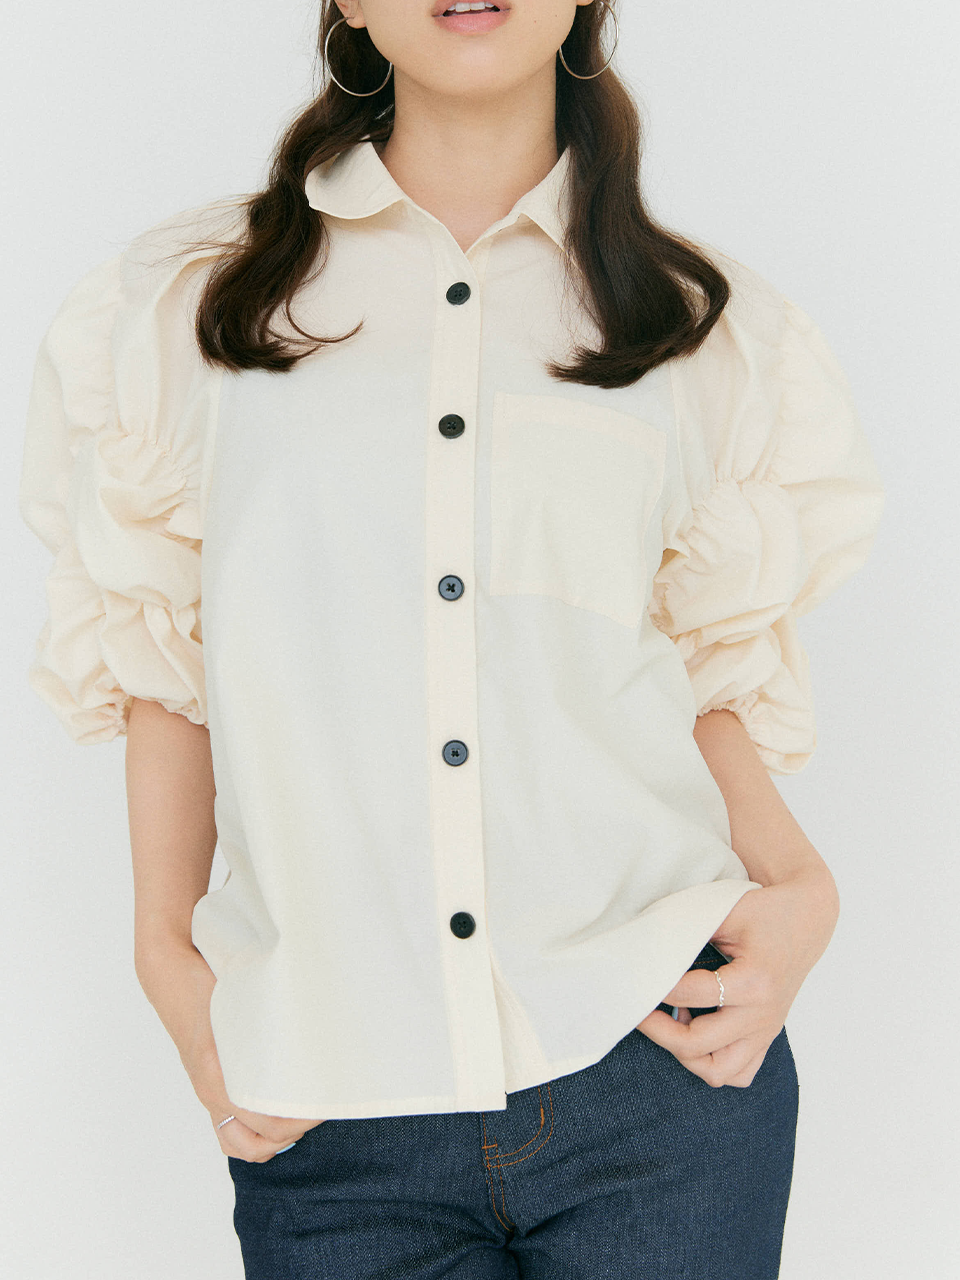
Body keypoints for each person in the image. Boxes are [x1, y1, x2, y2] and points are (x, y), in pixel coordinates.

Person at [17, 1, 886, 1276]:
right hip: (334, 1109)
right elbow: (166, 656)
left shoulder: (703, 328)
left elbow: (693, 668)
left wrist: (803, 887)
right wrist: (166, 953)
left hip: (656, 1071)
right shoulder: (187, 309)